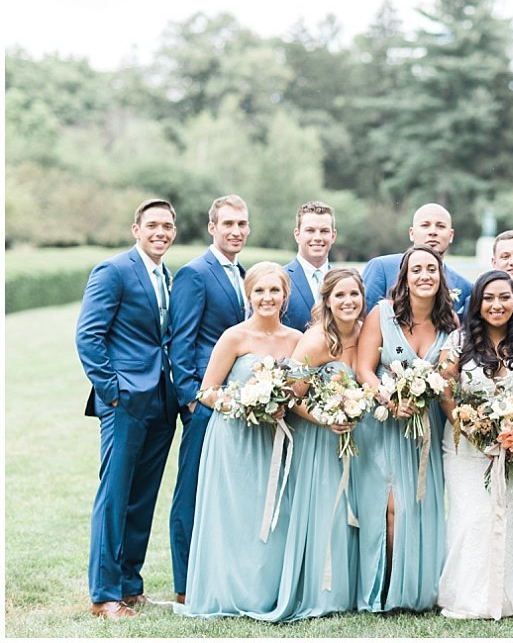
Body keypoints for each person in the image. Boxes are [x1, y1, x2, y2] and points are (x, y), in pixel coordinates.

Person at [177, 262, 303, 618]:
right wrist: (247, 403)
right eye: (260, 291)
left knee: (272, 514)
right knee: (235, 514)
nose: (267, 297)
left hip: (272, 439)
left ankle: (264, 592)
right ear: (249, 295)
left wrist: (279, 404)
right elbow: (207, 391)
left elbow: (298, 390)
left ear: (284, 296)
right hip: (234, 437)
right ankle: (228, 591)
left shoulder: (295, 340)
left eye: (274, 291)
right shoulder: (234, 336)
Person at [76, 199, 179, 618]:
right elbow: (89, 335)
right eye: (152, 224)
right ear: (135, 229)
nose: (160, 232)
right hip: (124, 401)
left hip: (161, 398)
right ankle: (104, 595)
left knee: (142, 496)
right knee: (115, 495)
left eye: (167, 225)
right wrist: (112, 391)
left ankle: (131, 586)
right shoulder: (113, 270)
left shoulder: (165, 275)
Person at [354, 244, 459, 612]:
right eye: (417, 269)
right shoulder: (382, 314)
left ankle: (413, 588)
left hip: (424, 427)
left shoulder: (451, 325)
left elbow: (447, 378)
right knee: (389, 507)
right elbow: (364, 368)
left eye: (431, 269)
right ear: (404, 276)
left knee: (417, 506)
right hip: (384, 424)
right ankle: (383, 586)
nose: (424, 275)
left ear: (440, 276)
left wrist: (427, 392)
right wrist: (387, 397)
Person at [437, 270, 513, 620]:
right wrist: (472, 429)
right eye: (489, 297)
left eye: (505, 297)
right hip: (465, 447)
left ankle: (510, 598)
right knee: (471, 517)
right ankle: (467, 597)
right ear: (477, 302)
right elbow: (446, 393)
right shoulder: (457, 342)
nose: (497, 304)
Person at [168, 194, 251, 604]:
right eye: (228, 224)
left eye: (242, 224)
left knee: (224, 491)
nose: (236, 231)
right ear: (212, 227)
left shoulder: (244, 273)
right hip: (204, 404)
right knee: (191, 491)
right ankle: (185, 586)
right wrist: (190, 401)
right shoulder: (194, 274)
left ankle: (220, 573)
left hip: (238, 404)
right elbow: (180, 341)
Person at [269, 269, 365, 620]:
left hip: (358, 439)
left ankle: (352, 591)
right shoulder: (315, 341)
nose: (348, 301)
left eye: (354, 294)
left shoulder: (365, 332)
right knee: (328, 512)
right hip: (320, 440)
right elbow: (290, 397)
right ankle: (322, 593)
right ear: (327, 301)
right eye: (339, 295)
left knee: (353, 511)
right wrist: (326, 418)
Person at [361, 203, 473, 318]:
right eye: (425, 225)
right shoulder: (382, 268)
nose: (433, 232)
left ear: (451, 235)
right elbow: (363, 318)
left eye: (441, 226)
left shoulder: (465, 287)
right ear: (412, 233)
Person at [282, 201, 336, 332]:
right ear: (297, 235)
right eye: (310, 231)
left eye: (324, 231)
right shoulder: (281, 278)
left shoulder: (342, 280)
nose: (317, 237)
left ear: (333, 236)